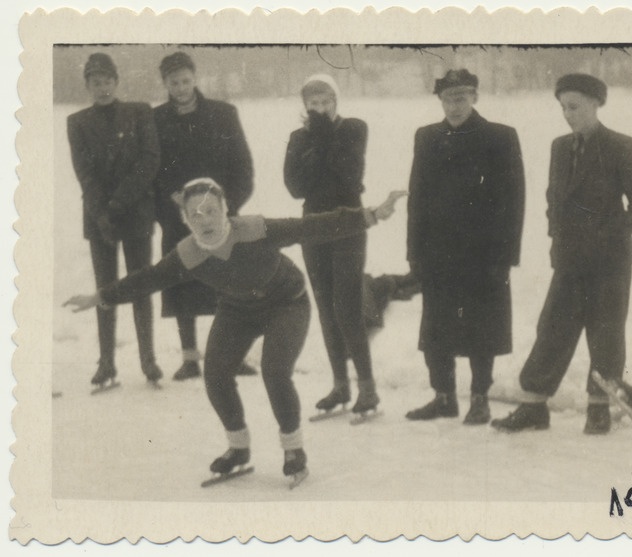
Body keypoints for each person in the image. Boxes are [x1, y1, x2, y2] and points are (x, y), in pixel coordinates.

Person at [64, 178, 406, 481]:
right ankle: (239, 448)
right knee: (214, 373)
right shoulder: (188, 253)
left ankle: (293, 449)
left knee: (275, 371)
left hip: (286, 302)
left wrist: (370, 215)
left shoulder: (255, 230)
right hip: (238, 310)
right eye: (194, 215)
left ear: (224, 209)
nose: (204, 221)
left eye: (210, 211)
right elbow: (148, 279)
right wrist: (100, 297)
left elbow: (312, 227)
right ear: (185, 219)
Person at [492, 73, 632, 434]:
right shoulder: (560, 147)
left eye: (575, 107)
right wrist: (556, 235)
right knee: (552, 330)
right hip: (569, 260)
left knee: (606, 334)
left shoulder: (620, 146)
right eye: (564, 107)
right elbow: (555, 198)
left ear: (596, 104)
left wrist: (611, 232)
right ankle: (534, 406)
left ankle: (599, 408)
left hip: (610, 262)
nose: (568, 114)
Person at [405, 69, 526, 425]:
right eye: (447, 99)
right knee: (437, 327)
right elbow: (418, 199)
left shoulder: (500, 137)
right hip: (438, 253)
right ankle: (443, 397)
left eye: (461, 98)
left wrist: (505, 256)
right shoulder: (427, 137)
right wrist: (415, 253)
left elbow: (513, 202)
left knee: (482, 328)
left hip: (483, 254)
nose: (454, 106)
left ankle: (480, 398)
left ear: (474, 97)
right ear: (439, 101)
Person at [153, 52, 255, 381]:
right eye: (173, 82)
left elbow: (242, 167)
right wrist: (169, 204)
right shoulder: (154, 120)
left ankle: (233, 356)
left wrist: (229, 207)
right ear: (165, 83)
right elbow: (152, 171)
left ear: (195, 78)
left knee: (227, 288)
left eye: (185, 80)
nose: (181, 88)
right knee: (184, 283)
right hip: (178, 219)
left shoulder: (223, 114)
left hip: (220, 218)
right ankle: (190, 359)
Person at [66, 52, 163, 387]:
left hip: (134, 211)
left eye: (107, 81)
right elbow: (85, 174)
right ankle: (106, 362)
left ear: (117, 82)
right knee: (105, 288)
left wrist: (119, 203)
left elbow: (150, 161)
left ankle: (148, 359)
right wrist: (101, 214)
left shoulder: (139, 112)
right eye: (95, 82)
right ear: (87, 86)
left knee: (140, 284)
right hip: (99, 218)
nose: (102, 88)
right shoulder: (77, 122)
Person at [283, 74, 378, 416]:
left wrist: (324, 142)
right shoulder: (298, 137)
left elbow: (349, 179)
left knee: (346, 306)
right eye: (313, 104)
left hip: (348, 223)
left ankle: (368, 388)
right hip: (313, 227)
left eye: (326, 102)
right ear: (305, 106)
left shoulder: (353, 129)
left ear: (336, 101)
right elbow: (296, 187)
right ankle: (341, 385)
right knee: (325, 306)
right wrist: (318, 144)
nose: (320, 109)